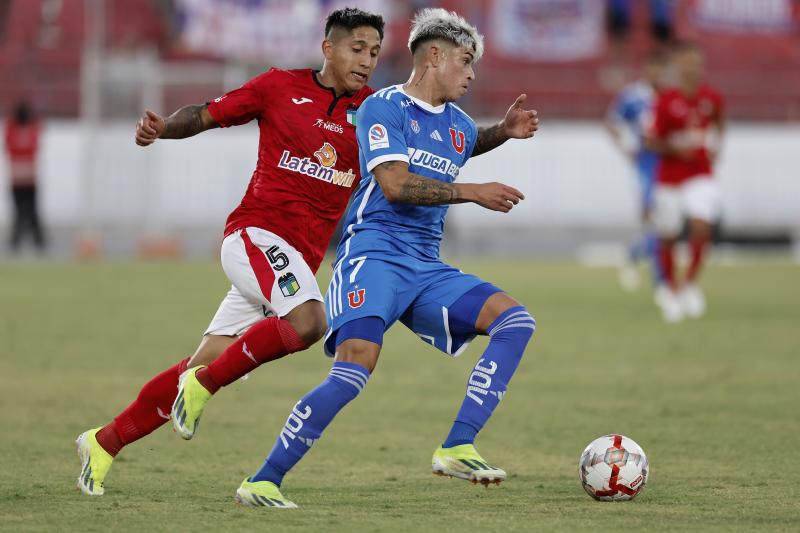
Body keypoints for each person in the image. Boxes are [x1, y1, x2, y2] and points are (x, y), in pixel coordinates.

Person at [203, 8, 540, 508]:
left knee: (515, 321)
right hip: (373, 256)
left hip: (426, 266)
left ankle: (457, 445)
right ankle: (263, 480)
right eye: (465, 62)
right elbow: (396, 184)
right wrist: (472, 193)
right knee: (354, 370)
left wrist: (502, 131)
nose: (471, 74)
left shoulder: (459, 125)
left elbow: (462, 143)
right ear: (434, 55)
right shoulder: (383, 108)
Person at [75, 7, 386, 496]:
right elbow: (203, 114)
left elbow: (429, 145)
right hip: (254, 236)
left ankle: (103, 441)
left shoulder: (373, 110)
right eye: (357, 48)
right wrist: (163, 130)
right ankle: (205, 388)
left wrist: (494, 136)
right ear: (328, 48)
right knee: (308, 321)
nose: (367, 60)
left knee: (199, 364)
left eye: (374, 52)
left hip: (291, 263)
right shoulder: (278, 86)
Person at [646, 42, 725, 322]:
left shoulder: (711, 97)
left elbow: (719, 123)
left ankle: (688, 283)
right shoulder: (666, 101)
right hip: (669, 177)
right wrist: (674, 149)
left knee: (702, 225)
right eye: (687, 62)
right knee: (667, 235)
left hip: (700, 174)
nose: (692, 67)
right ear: (678, 66)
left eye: (696, 62)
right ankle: (670, 288)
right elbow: (650, 139)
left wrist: (716, 148)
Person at [606, 49, 667, 292]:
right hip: (646, 162)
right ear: (647, 70)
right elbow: (612, 123)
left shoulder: (671, 96)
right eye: (654, 69)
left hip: (670, 162)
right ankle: (661, 280)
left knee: (665, 222)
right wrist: (626, 149)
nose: (658, 74)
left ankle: (633, 255)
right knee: (655, 217)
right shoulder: (633, 96)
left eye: (662, 70)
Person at [4, 101, 46, 253]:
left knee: (33, 210)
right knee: (18, 211)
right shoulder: (12, 128)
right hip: (17, 177)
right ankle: (16, 240)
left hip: (29, 177)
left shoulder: (31, 128)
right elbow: (10, 147)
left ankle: (38, 240)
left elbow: (34, 146)